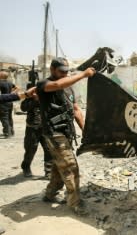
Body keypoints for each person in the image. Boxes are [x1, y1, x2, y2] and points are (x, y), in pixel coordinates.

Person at [37, 57, 93, 215]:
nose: (64, 74)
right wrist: (83, 75)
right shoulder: (44, 84)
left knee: (58, 167)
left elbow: (76, 110)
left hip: (66, 132)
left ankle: (50, 194)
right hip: (54, 133)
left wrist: (85, 130)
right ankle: (75, 203)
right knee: (70, 167)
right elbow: (57, 85)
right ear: (52, 70)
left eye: (66, 72)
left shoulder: (69, 88)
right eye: (61, 71)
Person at [21, 84, 53, 178]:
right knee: (30, 149)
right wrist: (34, 100)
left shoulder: (47, 98)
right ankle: (26, 166)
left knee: (49, 149)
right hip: (32, 128)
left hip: (46, 127)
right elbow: (23, 108)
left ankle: (49, 171)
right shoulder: (28, 100)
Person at [0, 71, 17, 138]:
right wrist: (11, 94)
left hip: (3, 102)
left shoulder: (0, 83)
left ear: (1, 75)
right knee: (9, 117)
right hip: (10, 102)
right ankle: (11, 132)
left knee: (4, 118)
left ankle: (7, 133)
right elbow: (17, 88)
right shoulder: (9, 82)